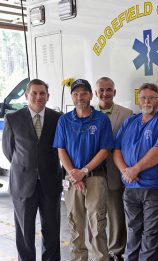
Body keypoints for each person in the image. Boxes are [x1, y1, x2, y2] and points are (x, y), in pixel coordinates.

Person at [113, 83, 158, 261]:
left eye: (151, 98)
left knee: (151, 239)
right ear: (138, 100)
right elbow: (116, 149)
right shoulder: (130, 121)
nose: (147, 101)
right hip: (131, 189)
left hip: (156, 191)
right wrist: (125, 171)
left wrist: (136, 169)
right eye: (143, 98)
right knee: (132, 236)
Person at [53, 79, 114, 261]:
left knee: (97, 224)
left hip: (95, 178)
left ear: (90, 95)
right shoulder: (64, 120)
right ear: (72, 96)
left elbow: (105, 150)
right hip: (72, 180)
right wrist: (74, 173)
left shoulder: (101, 120)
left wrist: (84, 171)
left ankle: (100, 258)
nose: (80, 97)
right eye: (76, 94)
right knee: (75, 224)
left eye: (84, 93)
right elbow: (61, 149)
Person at [2, 79, 62, 261]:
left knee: (52, 230)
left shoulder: (57, 118)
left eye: (42, 93)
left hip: (50, 183)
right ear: (27, 95)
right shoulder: (12, 118)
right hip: (22, 184)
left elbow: (60, 148)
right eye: (34, 93)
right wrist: (26, 166)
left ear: (48, 96)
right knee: (24, 231)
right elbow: (8, 150)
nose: (38, 97)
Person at [95, 77, 133, 260]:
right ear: (96, 93)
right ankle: (97, 250)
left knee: (116, 213)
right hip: (91, 171)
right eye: (101, 90)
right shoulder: (86, 112)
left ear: (114, 92)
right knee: (94, 213)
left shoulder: (127, 114)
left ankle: (116, 251)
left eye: (109, 89)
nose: (105, 93)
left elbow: (129, 143)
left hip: (114, 170)